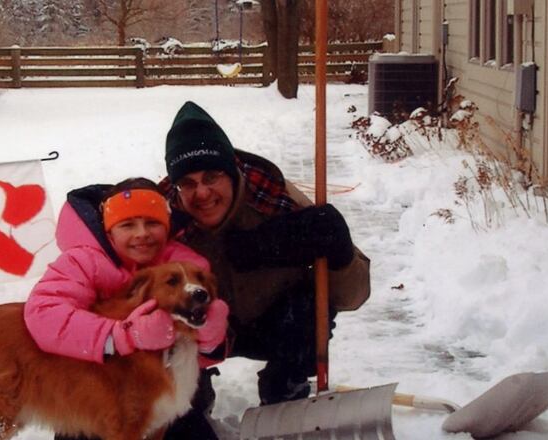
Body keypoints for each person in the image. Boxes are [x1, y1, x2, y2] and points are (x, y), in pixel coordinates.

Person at [158, 101, 371, 435]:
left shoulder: (276, 200)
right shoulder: (164, 222)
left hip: (272, 324)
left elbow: (354, 296)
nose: (202, 193)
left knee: (308, 308)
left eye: (212, 177)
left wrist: (339, 252)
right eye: (188, 182)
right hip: (201, 336)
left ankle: (284, 391)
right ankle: (191, 398)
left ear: (232, 172)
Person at [23, 177, 229, 440]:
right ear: (109, 231)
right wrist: (122, 335)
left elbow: (200, 353)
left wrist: (210, 338)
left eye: (152, 222)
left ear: (166, 228)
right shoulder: (83, 261)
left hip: (167, 389)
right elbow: (45, 315)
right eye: (128, 224)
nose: (142, 233)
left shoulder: (188, 266)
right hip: (93, 387)